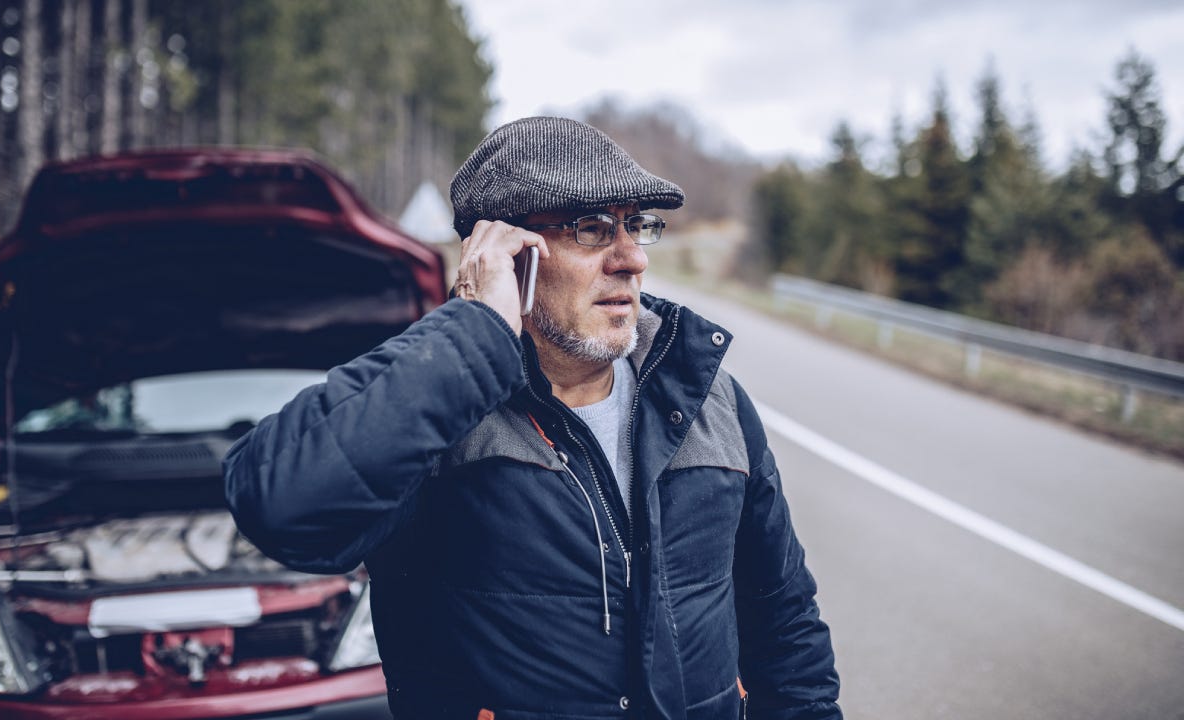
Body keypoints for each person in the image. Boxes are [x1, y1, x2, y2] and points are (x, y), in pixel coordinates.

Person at [224, 116, 841, 720]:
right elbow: (280, 506)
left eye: (639, 226)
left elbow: (783, 620)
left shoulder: (711, 399)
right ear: (508, 253)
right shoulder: (433, 412)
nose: (632, 259)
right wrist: (478, 328)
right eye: (593, 230)